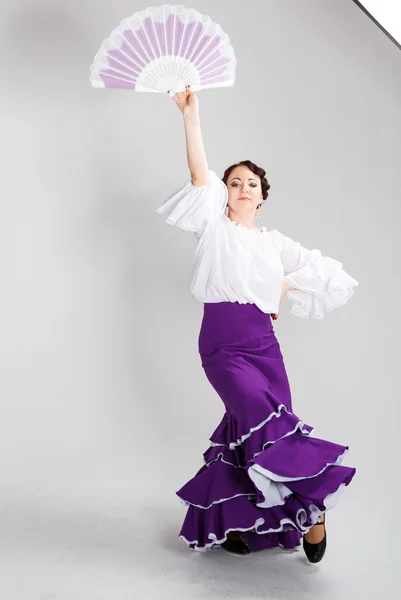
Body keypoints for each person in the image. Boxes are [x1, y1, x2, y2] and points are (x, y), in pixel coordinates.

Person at [156, 85, 358, 563]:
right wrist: (191, 113)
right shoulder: (213, 226)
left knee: (251, 433)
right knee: (259, 424)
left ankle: (251, 527)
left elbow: (330, 272)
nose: (242, 188)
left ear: (262, 197)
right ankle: (314, 508)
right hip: (222, 345)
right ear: (224, 193)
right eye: (234, 182)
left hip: (264, 345)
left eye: (251, 183)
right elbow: (198, 172)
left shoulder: (273, 242)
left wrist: (283, 288)